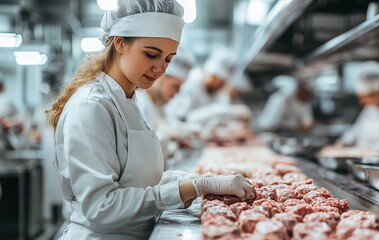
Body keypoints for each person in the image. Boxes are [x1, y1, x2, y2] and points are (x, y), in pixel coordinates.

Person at [46, 1, 254, 239]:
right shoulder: (91, 107)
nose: (160, 68)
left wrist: (199, 181)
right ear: (120, 42)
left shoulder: (129, 100)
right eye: (151, 54)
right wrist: (194, 187)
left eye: (168, 59)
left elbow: (137, 181)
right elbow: (101, 207)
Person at [165, 47, 236, 122]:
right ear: (213, 75)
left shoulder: (218, 93)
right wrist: (214, 112)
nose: (222, 86)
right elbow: (182, 118)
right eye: (221, 81)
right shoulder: (192, 81)